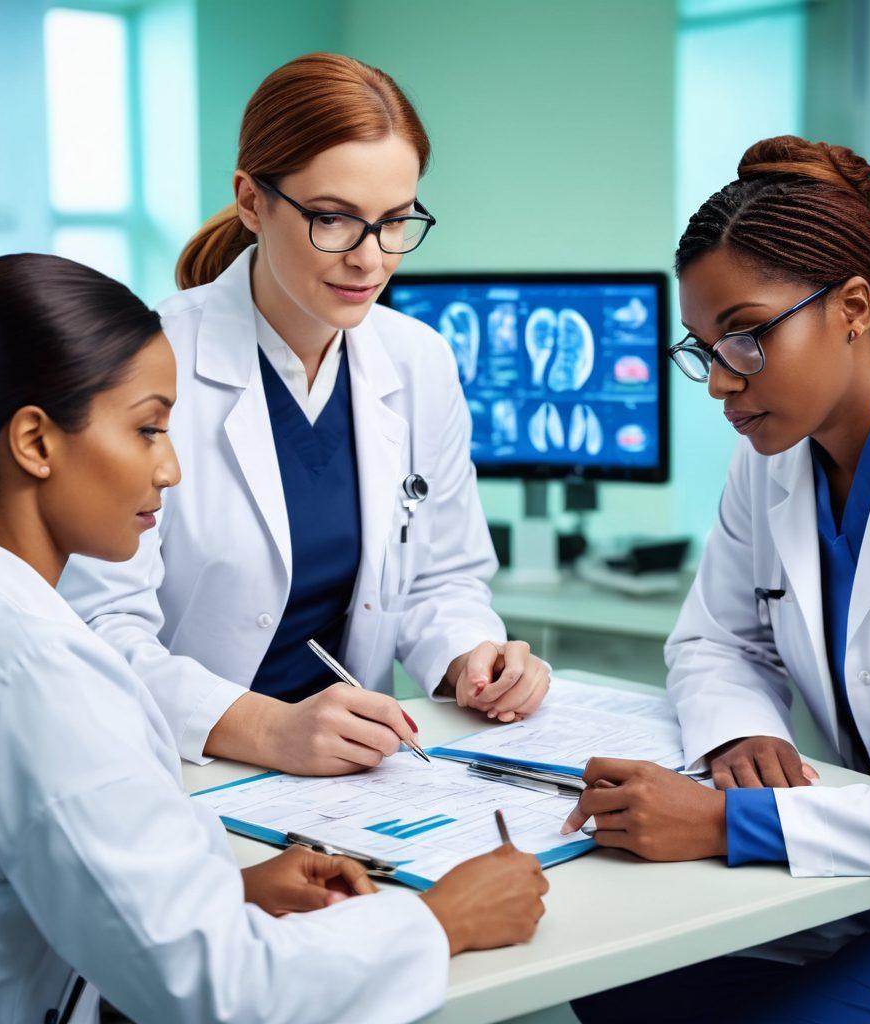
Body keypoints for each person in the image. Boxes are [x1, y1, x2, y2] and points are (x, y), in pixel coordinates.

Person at [0, 253, 548, 1024]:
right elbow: (219, 990)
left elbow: (49, 879)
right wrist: (444, 920)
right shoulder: (44, 671)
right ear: (36, 443)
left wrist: (226, 890)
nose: (173, 468)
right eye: (149, 429)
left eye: (395, 223)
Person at [564, 136, 870, 1023]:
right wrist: (734, 736)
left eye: (746, 338)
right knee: (611, 991)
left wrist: (727, 823)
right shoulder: (772, 455)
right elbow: (711, 639)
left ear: (850, 308)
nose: (721, 382)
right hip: (861, 877)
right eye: (704, 349)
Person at [59, 53, 550, 775]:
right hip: (179, 767)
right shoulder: (141, 364)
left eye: (395, 222)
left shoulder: (418, 361)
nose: (370, 259)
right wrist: (264, 729)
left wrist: (471, 655)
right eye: (333, 220)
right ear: (252, 201)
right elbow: (99, 627)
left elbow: (443, 578)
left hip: (353, 776)